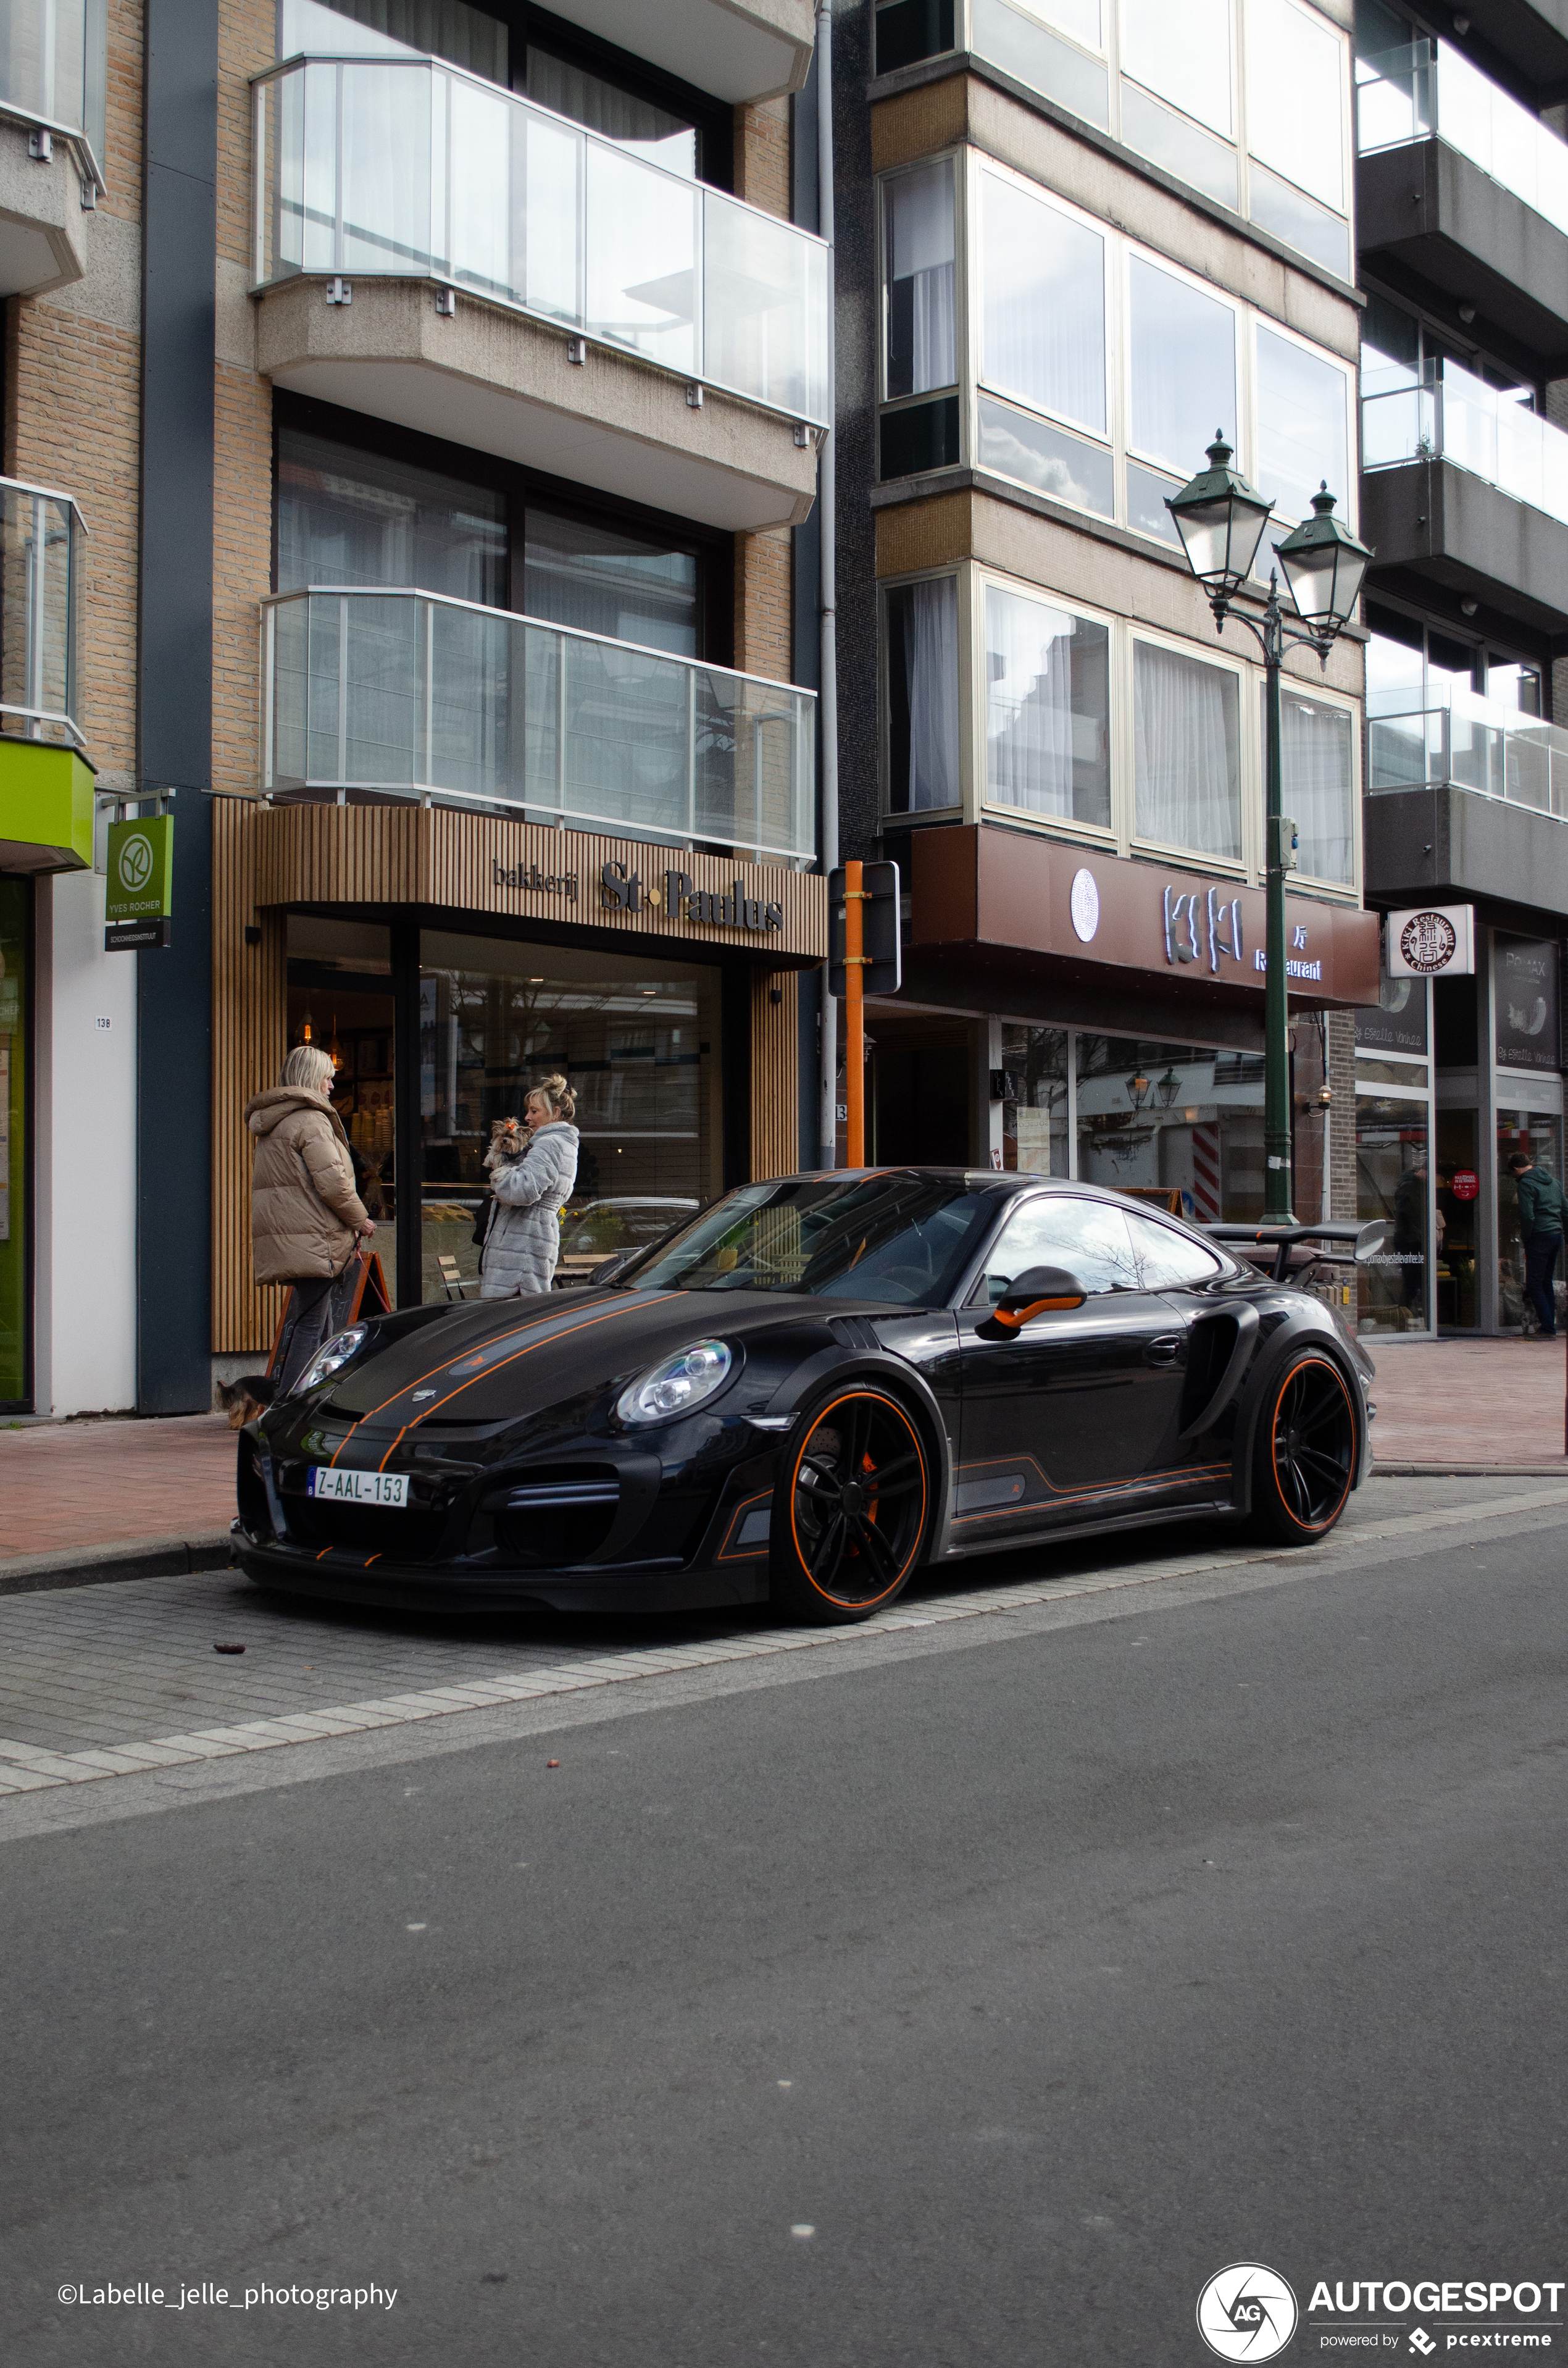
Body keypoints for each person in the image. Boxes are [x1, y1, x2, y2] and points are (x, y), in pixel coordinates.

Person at [246, 1044, 376, 1391]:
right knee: (312, 1325)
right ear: (312, 1078)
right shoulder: (311, 1121)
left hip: (292, 1235)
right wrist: (360, 1220)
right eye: (328, 1079)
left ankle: (324, 1390)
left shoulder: (275, 1122)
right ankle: (293, 1401)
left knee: (320, 1322)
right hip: (315, 1236)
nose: (332, 1086)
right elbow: (333, 1184)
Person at [479, 1075, 579, 1300]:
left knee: (508, 1319)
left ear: (554, 1112)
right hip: (532, 1237)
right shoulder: (560, 1143)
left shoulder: (549, 1143)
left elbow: (520, 1191)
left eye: (535, 1111)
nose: (527, 1117)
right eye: (529, 1111)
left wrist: (500, 1168)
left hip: (523, 1241)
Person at [1508, 1150, 1568, 1339]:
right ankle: (1550, 1325)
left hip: (1539, 1236)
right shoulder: (1555, 1182)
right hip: (1556, 1236)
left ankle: (1548, 1329)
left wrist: (1526, 1238)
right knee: (1545, 1282)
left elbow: (1527, 1215)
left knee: (1534, 1284)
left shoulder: (1526, 1183)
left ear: (1517, 1169)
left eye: (1513, 1173)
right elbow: (1566, 1211)